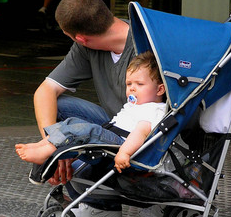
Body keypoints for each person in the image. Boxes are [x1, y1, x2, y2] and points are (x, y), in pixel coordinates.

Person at [32, 0, 167, 217]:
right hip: (116, 123)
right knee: (59, 109)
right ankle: (101, 206)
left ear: (80, 37)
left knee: (74, 131)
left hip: (146, 134)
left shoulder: (147, 44)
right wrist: (56, 147)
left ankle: (154, 200)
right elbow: (45, 91)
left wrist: (60, 145)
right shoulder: (87, 46)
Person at [16, 51, 166, 175]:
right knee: (73, 122)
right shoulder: (136, 104)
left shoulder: (154, 110)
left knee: (86, 130)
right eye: (129, 84)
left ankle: (47, 151)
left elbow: (140, 133)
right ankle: (44, 144)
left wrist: (125, 153)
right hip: (111, 135)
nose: (132, 88)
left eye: (139, 84)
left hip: (122, 145)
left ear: (159, 89)